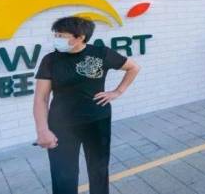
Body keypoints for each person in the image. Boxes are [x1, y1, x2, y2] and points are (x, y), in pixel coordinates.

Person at [34, 17, 141, 194]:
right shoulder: (50, 60)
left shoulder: (101, 53)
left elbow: (133, 67)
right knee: (63, 174)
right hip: (61, 125)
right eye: (56, 35)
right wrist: (42, 130)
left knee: (99, 168)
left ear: (80, 37)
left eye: (61, 35)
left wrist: (117, 92)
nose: (56, 39)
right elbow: (41, 98)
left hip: (97, 121)